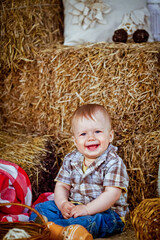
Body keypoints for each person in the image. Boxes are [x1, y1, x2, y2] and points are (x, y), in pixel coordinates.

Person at [30, 104, 129, 238]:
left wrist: (87, 209)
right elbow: (62, 186)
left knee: (90, 221)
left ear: (110, 136)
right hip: (76, 206)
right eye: (83, 134)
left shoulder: (113, 162)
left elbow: (112, 194)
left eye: (98, 132)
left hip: (107, 214)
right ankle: (57, 229)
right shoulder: (71, 159)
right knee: (42, 208)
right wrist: (63, 204)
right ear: (75, 141)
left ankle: (55, 229)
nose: (91, 138)